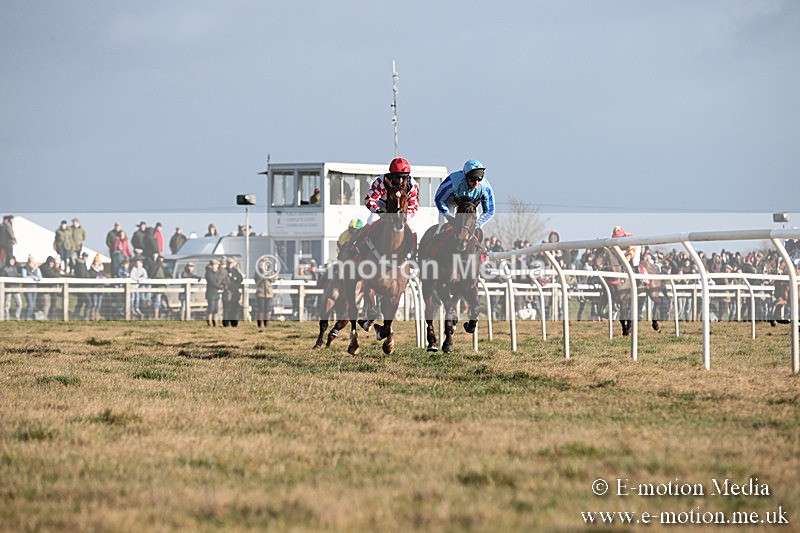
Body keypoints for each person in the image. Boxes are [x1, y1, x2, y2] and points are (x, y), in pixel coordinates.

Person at [433, 159, 496, 234]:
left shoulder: (485, 187)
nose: (476, 182)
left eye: (479, 179)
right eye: (472, 179)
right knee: (443, 225)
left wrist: (477, 224)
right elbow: (439, 199)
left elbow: (489, 211)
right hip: (451, 201)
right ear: (466, 177)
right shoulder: (452, 183)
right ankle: (438, 233)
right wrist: (448, 217)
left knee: (475, 228)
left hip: (471, 205)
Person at [363, 157, 420, 225]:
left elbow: (413, 207)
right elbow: (369, 200)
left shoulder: (412, 185)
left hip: (404, 209)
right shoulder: (381, 181)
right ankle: (365, 231)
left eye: (404, 177)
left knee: (413, 227)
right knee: (372, 220)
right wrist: (379, 211)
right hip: (383, 205)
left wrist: (406, 216)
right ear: (392, 175)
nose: (401, 180)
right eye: (398, 177)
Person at [221, 257, 243, 327]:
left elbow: (240, 279)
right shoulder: (224, 271)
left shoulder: (236, 271)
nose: (230, 264)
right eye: (229, 263)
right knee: (227, 309)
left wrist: (236, 284)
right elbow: (223, 280)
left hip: (235, 293)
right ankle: (226, 323)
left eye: (231, 263)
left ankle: (234, 323)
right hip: (227, 292)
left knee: (235, 309)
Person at [2, 256, 23, 320]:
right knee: (7, 304)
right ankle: (6, 317)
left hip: (15, 288)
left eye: (13, 260)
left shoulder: (15, 267)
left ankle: (17, 317)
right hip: (7, 289)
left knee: (19, 303)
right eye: (11, 260)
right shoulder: (4, 268)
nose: (12, 261)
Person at [22, 255, 42, 320]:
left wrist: (36, 278)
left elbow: (40, 277)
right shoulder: (24, 268)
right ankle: (27, 317)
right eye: (32, 263)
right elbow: (24, 277)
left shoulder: (37, 269)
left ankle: (30, 316)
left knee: (32, 304)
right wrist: (32, 277)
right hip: (27, 288)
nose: (33, 264)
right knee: (30, 304)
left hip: (34, 288)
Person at [204, 259, 223, 326]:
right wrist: (220, 287)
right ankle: (209, 321)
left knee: (216, 308)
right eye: (216, 265)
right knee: (211, 308)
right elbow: (212, 282)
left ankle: (215, 321)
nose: (217, 266)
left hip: (216, 293)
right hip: (211, 293)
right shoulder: (208, 273)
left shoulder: (217, 273)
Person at [73, 251, 91, 320]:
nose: (86, 258)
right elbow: (82, 275)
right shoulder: (80, 265)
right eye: (85, 256)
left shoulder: (82, 264)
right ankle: (85, 317)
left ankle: (76, 316)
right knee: (88, 302)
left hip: (83, 286)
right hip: (83, 286)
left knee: (80, 302)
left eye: (86, 257)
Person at [254, 265, 274, 330]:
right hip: (261, 293)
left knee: (267, 309)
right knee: (261, 309)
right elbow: (257, 281)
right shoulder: (258, 272)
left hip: (268, 293)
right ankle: (259, 324)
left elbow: (273, 279)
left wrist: (268, 274)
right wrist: (262, 274)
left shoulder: (270, 271)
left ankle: (266, 325)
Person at [87, 254, 106, 320]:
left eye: (97, 261)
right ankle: (92, 315)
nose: (96, 263)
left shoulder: (101, 270)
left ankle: (97, 315)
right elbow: (90, 276)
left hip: (101, 288)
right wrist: (95, 278)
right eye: (95, 261)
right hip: (94, 288)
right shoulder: (91, 270)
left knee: (99, 304)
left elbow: (104, 275)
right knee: (94, 303)